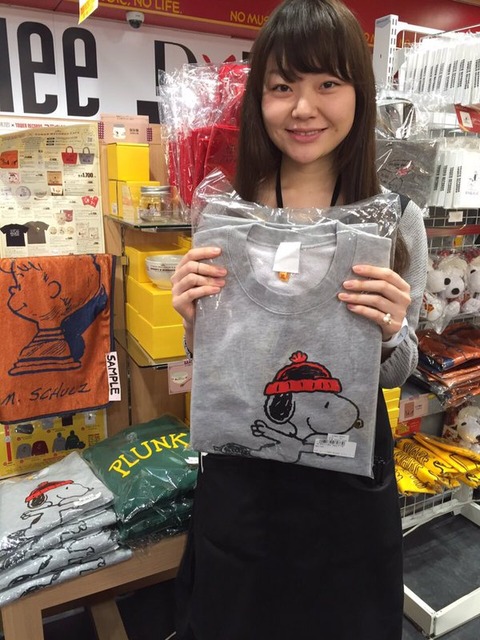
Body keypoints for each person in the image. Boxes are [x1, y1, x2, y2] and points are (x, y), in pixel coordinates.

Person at [171, 0, 428, 638]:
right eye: (282, 87)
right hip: (243, 477)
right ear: (258, 99)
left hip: (347, 477)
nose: (303, 108)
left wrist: (390, 331)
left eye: (327, 84)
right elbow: (216, 360)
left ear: (359, 93)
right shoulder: (225, 214)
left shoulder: (396, 220)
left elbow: (397, 372)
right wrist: (192, 321)